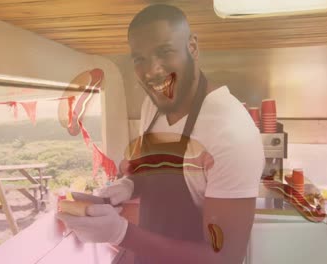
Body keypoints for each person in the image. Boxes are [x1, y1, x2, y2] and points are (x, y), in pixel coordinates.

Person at [57, 4, 264, 264]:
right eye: (139, 59)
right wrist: (127, 186)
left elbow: (224, 258)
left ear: (193, 47)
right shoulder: (153, 106)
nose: (152, 71)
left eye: (164, 52)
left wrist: (121, 233)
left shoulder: (230, 132)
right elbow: (153, 171)